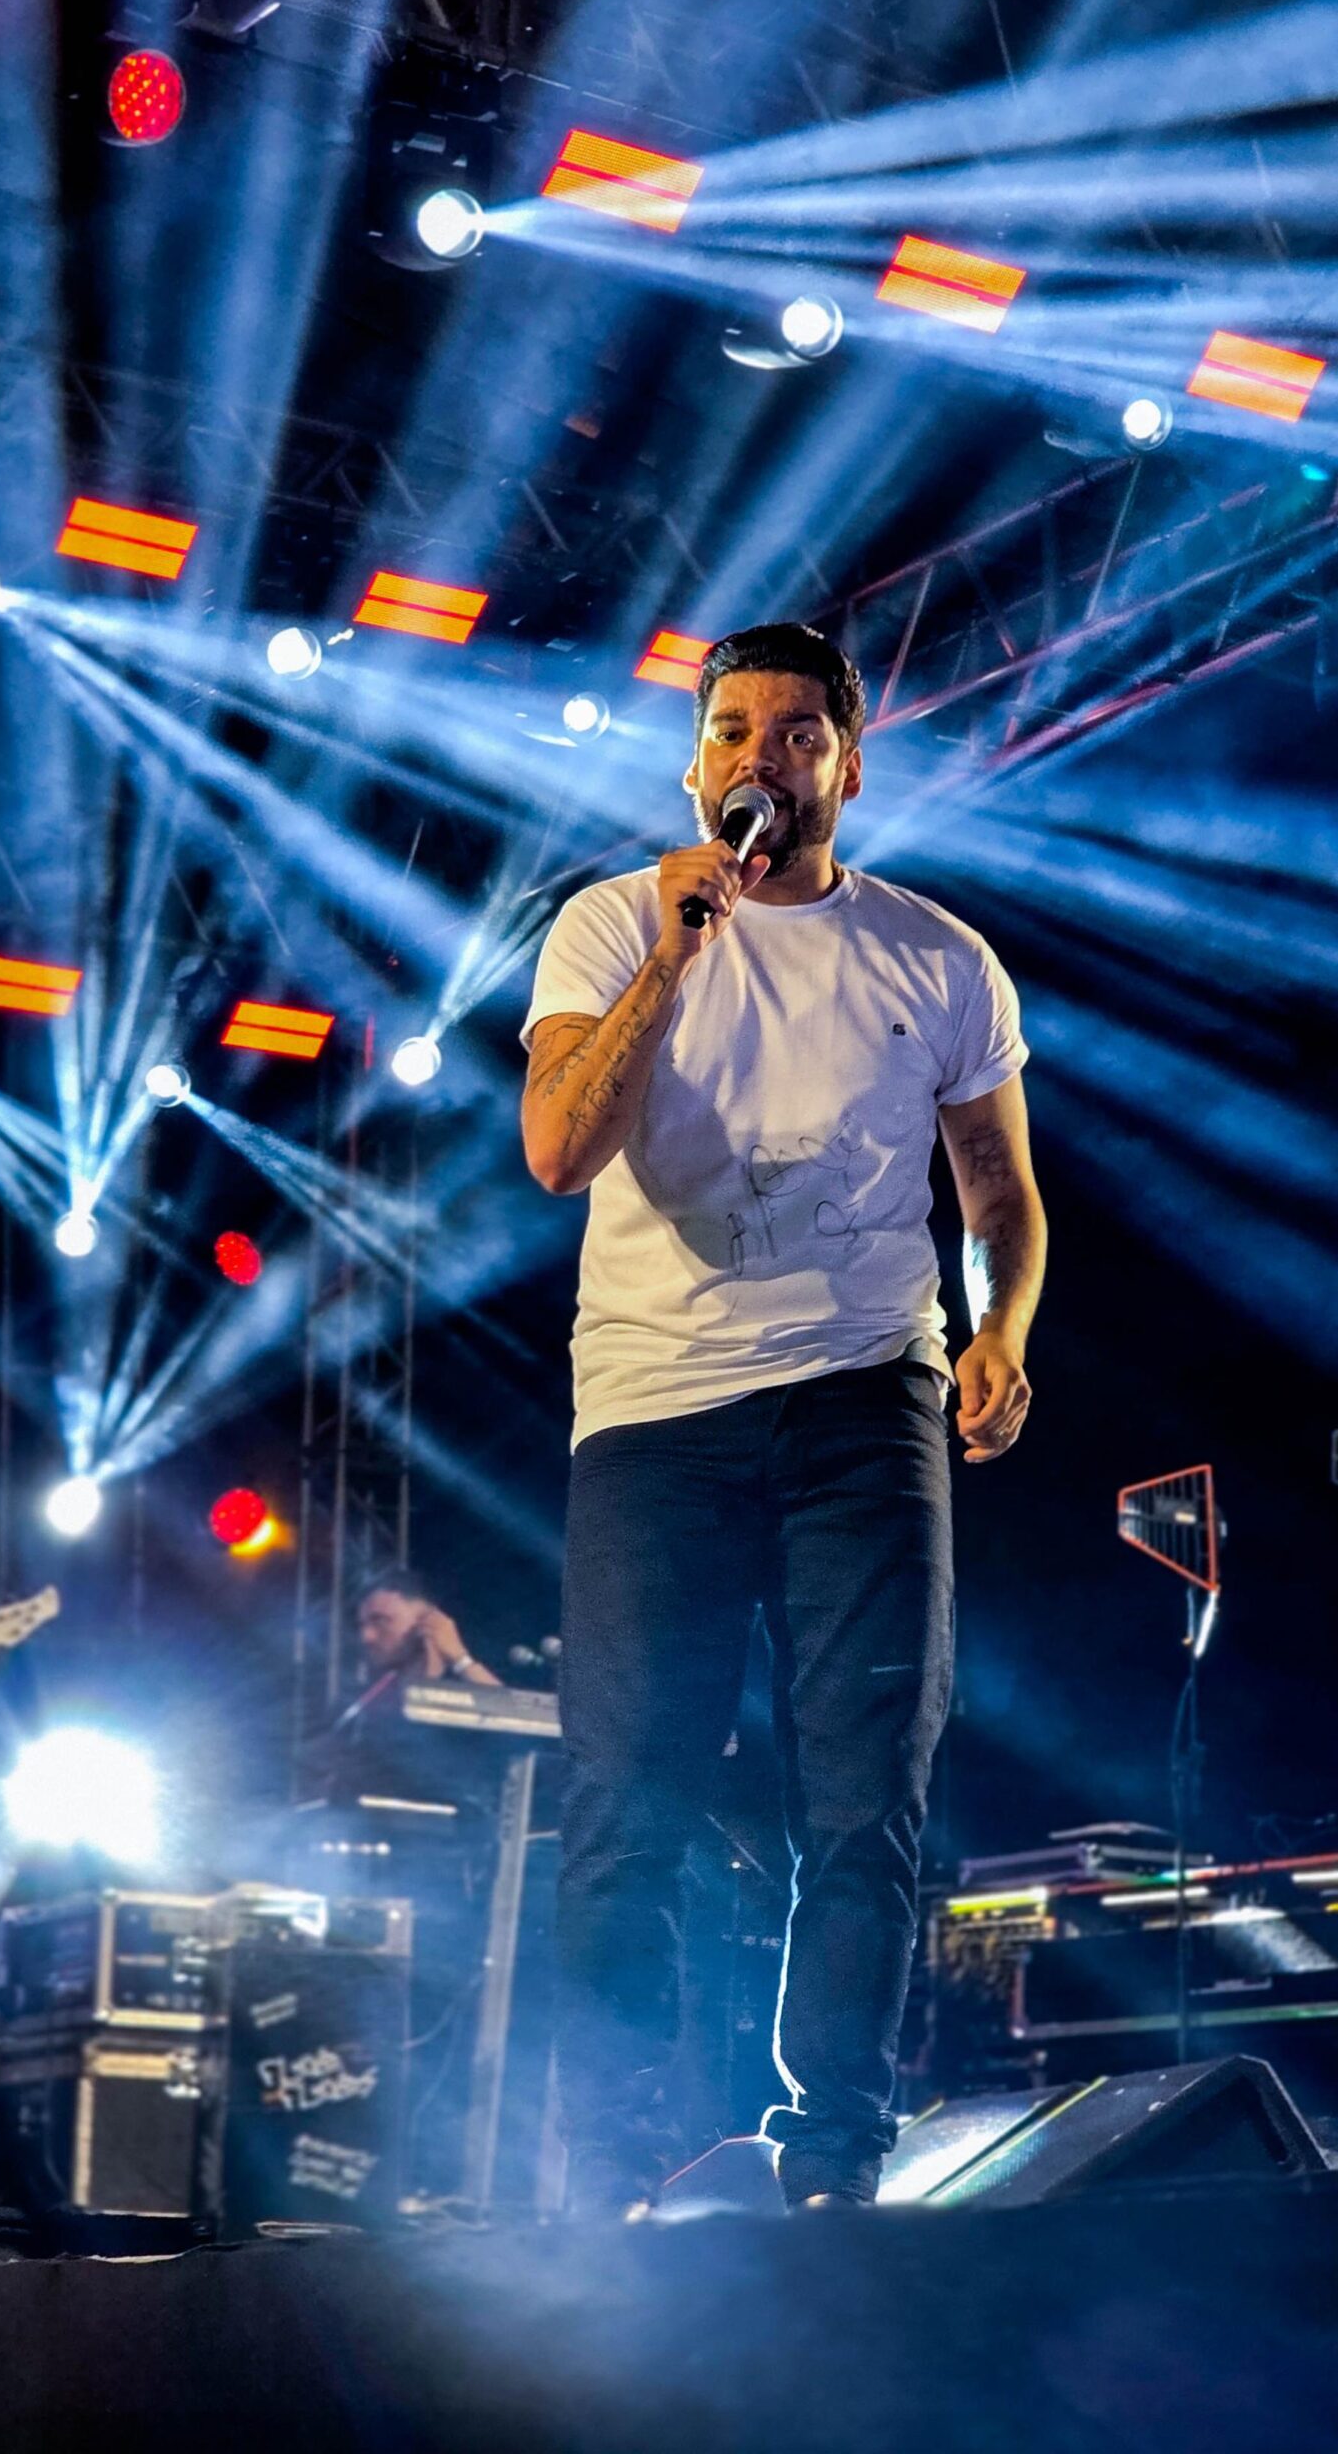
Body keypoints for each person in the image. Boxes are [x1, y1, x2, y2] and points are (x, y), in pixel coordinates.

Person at [520, 621, 1047, 2215]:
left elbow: (999, 1195)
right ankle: (610, 2168)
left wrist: (1001, 1332)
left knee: (866, 1795)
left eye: (798, 732)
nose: (762, 755)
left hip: (865, 1399)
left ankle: (833, 2158)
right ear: (695, 762)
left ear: (848, 765)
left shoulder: (938, 958)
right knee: (629, 1798)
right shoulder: (612, 925)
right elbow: (557, 1151)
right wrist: (677, 956)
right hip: (656, 1409)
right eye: (732, 728)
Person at [316, 1569, 500, 1800]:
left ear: (430, 1621)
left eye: (381, 1621)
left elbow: (515, 1725)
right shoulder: (363, 1700)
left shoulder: (464, 1686)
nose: (366, 1637)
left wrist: (460, 1658)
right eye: (362, 1624)